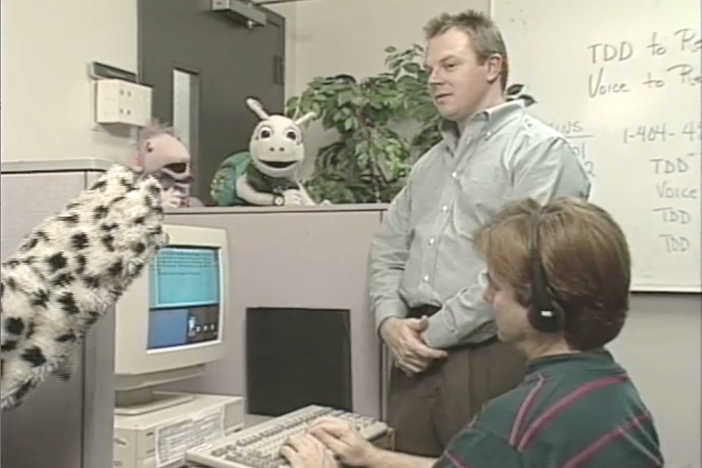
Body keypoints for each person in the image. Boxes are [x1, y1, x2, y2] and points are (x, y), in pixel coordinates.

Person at [280, 197, 664, 468]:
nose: (487, 296)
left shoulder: (515, 421)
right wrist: (373, 458)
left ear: (545, 310)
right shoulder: (613, 390)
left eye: (497, 285)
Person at [368, 10, 592, 455]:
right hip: (414, 355)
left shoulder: (539, 152)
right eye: (428, 70)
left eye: (449, 65)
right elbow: (389, 250)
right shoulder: (428, 165)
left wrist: (427, 336)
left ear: (493, 67)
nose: (434, 80)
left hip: (491, 352)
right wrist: (389, 322)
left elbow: (519, 268)